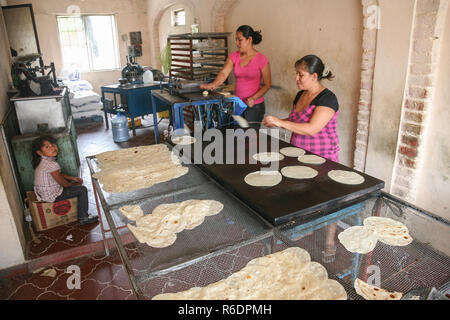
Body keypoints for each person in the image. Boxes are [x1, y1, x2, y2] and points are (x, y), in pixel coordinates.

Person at [263, 54, 339, 262]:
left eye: (301, 74)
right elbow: (295, 120)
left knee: (327, 198)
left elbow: (312, 128)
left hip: (322, 156)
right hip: (299, 153)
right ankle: (306, 228)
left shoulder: (327, 99)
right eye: (296, 73)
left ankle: (330, 242)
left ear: (314, 76)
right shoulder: (300, 95)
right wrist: (277, 122)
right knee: (301, 191)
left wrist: (280, 122)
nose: (296, 78)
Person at [200, 25, 272, 130]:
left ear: (250, 39)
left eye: (240, 40)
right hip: (238, 104)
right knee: (237, 136)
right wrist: (214, 84)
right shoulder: (234, 56)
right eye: (236, 40)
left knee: (249, 139)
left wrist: (253, 98)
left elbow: (267, 84)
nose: (237, 43)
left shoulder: (261, 59)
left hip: (254, 106)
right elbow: (224, 73)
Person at [32, 135, 98, 225]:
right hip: (52, 196)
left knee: (76, 187)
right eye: (47, 147)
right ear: (40, 152)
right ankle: (83, 217)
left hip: (43, 194)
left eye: (53, 145)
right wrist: (76, 184)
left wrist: (73, 178)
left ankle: (81, 214)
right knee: (82, 190)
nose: (52, 148)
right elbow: (65, 185)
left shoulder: (43, 161)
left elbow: (58, 174)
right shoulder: (51, 165)